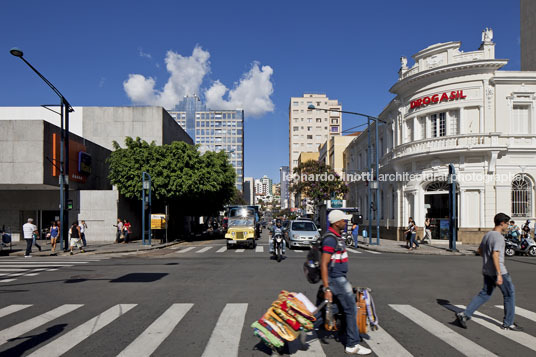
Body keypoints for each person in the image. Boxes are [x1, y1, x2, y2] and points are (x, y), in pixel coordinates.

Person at [456, 213, 523, 331]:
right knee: (509, 294)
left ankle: (465, 314)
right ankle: (508, 323)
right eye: (507, 224)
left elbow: (479, 250)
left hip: (487, 270)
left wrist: (487, 261)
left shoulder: (487, 235)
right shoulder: (498, 237)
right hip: (499, 271)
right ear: (502, 223)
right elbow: (495, 254)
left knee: (485, 294)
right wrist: (498, 273)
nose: (508, 226)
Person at [320, 210, 372, 355]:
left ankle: (300, 326)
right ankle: (352, 344)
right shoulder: (331, 239)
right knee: (351, 309)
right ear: (337, 223)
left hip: (339, 278)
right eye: (344, 221)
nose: (345, 223)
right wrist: (327, 288)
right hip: (336, 279)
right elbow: (324, 264)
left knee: (334, 309)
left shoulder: (337, 237)